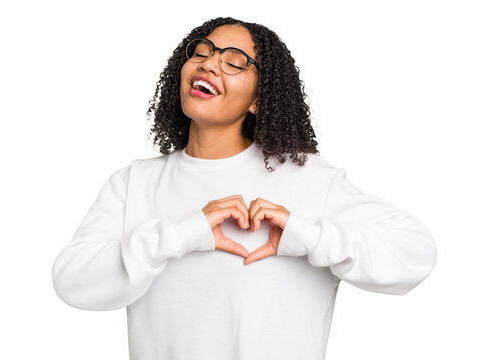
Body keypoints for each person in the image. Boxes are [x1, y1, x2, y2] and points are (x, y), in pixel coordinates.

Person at [52, 16, 437, 360]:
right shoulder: (134, 183)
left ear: (258, 99)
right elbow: (73, 282)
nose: (208, 63)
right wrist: (184, 233)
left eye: (234, 61)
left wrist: (304, 234)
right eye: (201, 51)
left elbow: (415, 254)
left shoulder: (310, 180)